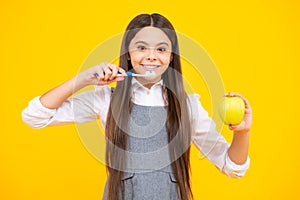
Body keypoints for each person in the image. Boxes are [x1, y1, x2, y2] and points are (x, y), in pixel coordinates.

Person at [22, 13, 252, 200]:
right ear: (129, 54)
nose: (151, 56)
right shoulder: (107, 99)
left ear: (171, 57)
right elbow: (34, 116)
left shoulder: (188, 106)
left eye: (161, 49)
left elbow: (232, 166)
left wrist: (242, 132)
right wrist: (84, 79)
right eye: (141, 47)